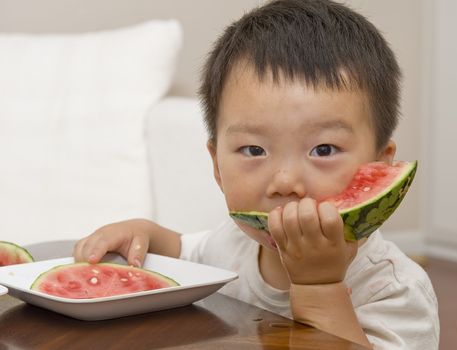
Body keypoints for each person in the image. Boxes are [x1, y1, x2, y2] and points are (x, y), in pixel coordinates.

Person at [73, 0, 439, 348]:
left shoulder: (394, 290)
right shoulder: (233, 243)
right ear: (216, 165)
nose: (284, 182)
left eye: (323, 150)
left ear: (381, 166)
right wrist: (146, 234)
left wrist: (319, 286)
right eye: (254, 150)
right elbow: (188, 252)